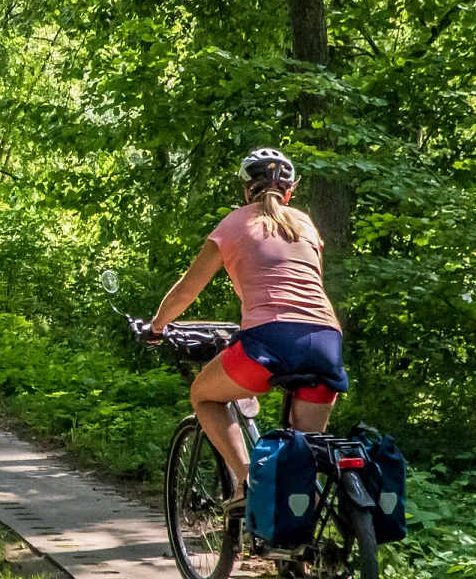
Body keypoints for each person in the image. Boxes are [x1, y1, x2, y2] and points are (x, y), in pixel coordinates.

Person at [147, 148, 348, 509]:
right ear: (289, 192)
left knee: (204, 395)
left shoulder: (234, 224)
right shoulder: (305, 225)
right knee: (305, 452)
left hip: (269, 340)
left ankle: (246, 480)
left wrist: (157, 326)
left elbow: (188, 289)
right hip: (326, 341)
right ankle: (304, 552)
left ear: (246, 190)